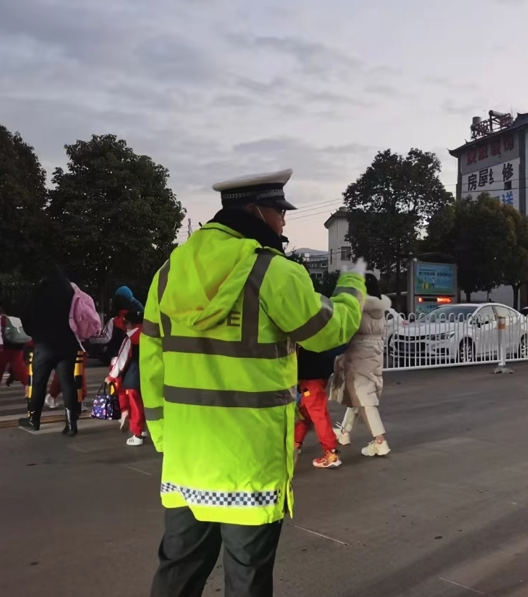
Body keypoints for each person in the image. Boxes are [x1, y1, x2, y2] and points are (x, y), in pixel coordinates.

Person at [142, 168, 367, 597]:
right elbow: (328, 331)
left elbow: (152, 362)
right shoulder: (272, 272)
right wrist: (352, 284)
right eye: (279, 212)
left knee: (178, 571)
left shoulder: (168, 274)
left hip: (187, 458)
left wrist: (165, 438)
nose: (284, 222)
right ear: (258, 210)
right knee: (246, 576)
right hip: (249, 462)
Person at [334, 274, 392, 457]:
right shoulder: (381, 308)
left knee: (365, 398)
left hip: (358, 353)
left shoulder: (358, 307)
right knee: (359, 394)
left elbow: (349, 328)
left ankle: (380, 441)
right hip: (376, 353)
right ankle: (344, 432)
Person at [19, 271, 82, 435]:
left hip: (45, 344)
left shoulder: (38, 292)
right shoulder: (70, 291)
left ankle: (34, 419)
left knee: (39, 382)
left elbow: (25, 315)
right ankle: (71, 424)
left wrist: (36, 334)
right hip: (68, 343)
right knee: (67, 382)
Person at [295, 344, 348, 468]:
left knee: (317, 411)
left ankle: (331, 452)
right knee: (307, 408)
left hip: (308, 372)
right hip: (320, 370)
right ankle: (295, 441)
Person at [106, 309, 145, 446]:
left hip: (133, 376)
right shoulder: (150, 334)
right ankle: (145, 428)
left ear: (128, 323)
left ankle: (137, 433)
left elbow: (122, 359)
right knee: (147, 403)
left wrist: (111, 376)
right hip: (150, 374)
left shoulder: (130, 337)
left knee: (135, 405)